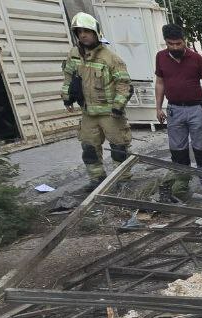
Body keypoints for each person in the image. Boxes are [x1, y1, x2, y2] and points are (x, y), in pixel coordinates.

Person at [62, 12, 132, 192]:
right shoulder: (74, 55)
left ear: (96, 33)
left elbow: (124, 84)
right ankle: (97, 179)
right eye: (79, 32)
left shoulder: (111, 58)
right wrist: (67, 98)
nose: (83, 35)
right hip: (88, 113)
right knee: (89, 148)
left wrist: (118, 107)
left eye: (87, 31)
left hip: (110, 113)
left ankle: (123, 179)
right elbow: (68, 78)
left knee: (119, 148)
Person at [155, 23, 202, 201]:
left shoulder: (196, 58)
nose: (176, 47)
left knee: (201, 147)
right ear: (166, 43)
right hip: (174, 110)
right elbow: (160, 83)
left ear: (184, 41)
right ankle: (182, 184)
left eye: (179, 43)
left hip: (195, 109)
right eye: (171, 44)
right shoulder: (160, 57)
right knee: (178, 150)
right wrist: (158, 107)